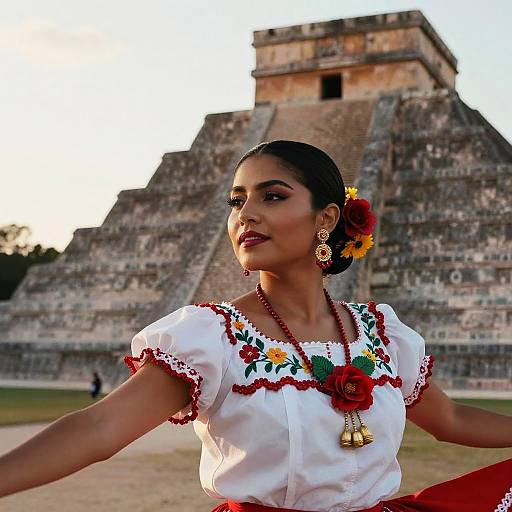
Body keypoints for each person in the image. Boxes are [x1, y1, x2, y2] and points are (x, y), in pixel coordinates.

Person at [0, 140, 511, 511]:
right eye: (237, 201)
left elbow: (453, 422)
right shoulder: (213, 337)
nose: (246, 214)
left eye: (272, 196)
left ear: (327, 218)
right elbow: (99, 427)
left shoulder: (381, 334)